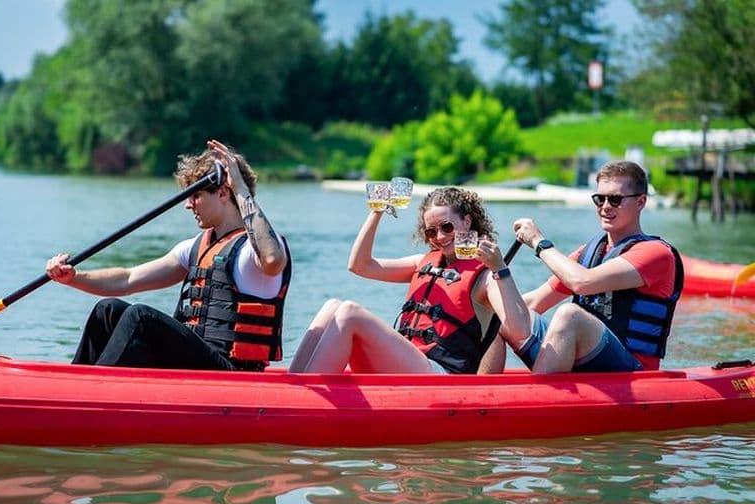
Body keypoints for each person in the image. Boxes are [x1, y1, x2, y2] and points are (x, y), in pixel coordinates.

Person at [45, 140, 291, 371]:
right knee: (107, 310)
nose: (188, 204)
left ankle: (96, 389)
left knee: (142, 318)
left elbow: (273, 261)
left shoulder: (258, 247)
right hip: (197, 363)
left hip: (232, 372)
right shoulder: (195, 247)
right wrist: (73, 277)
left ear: (223, 193)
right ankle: (74, 384)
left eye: (196, 196)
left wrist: (241, 189)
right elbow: (127, 279)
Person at [289, 187, 530, 374]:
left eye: (447, 227)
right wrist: (377, 212)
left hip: (441, 376)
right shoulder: (421, 263)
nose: (439, 237)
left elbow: (520, 331)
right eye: (431, 231)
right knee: (332, 306)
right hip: (408, 363)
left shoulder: (487, 276)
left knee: (349, 313)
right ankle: (293, 384)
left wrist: (500, 268)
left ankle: (305, 399)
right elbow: (359, 266)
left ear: (467, 221)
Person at [494, 160, 683, 374]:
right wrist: (487, 296)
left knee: (569, 315)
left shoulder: (656, 254)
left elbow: (582, 282)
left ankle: (536, 392)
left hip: (631, 371)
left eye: (615, 199)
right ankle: (480, 386)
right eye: (599, 199)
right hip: (586, 358)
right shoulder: (588, 253)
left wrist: (539, 242)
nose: (605, 207)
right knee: (501, 314)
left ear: (640, 202)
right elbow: (535, 302)